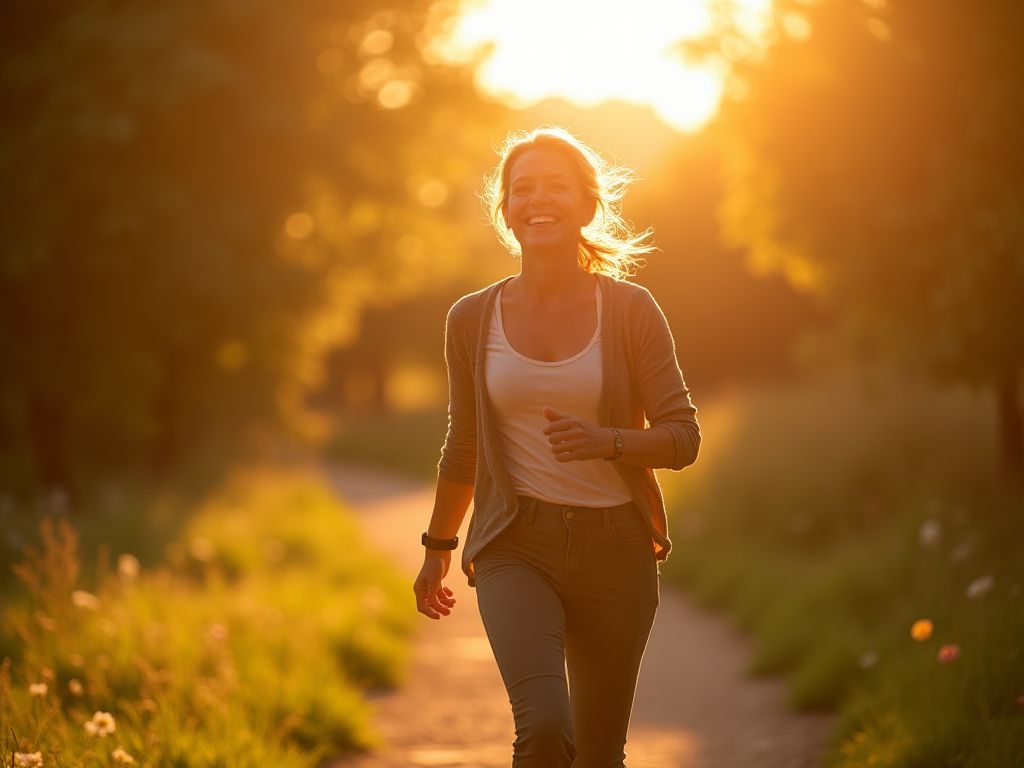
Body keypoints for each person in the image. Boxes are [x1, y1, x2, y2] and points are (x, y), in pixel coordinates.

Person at [413, 125, 701, 768]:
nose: (537, 199)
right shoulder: (470, 318)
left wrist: (609, 442)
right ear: (506, 210)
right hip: (517, 542)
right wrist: (438, 548)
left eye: (555, 186)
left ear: (586, 205)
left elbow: (683, 439)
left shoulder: (630, 310)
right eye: (522, 189)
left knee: (599, 755)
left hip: (617, 550)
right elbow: (465, 443)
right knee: (544, 729)